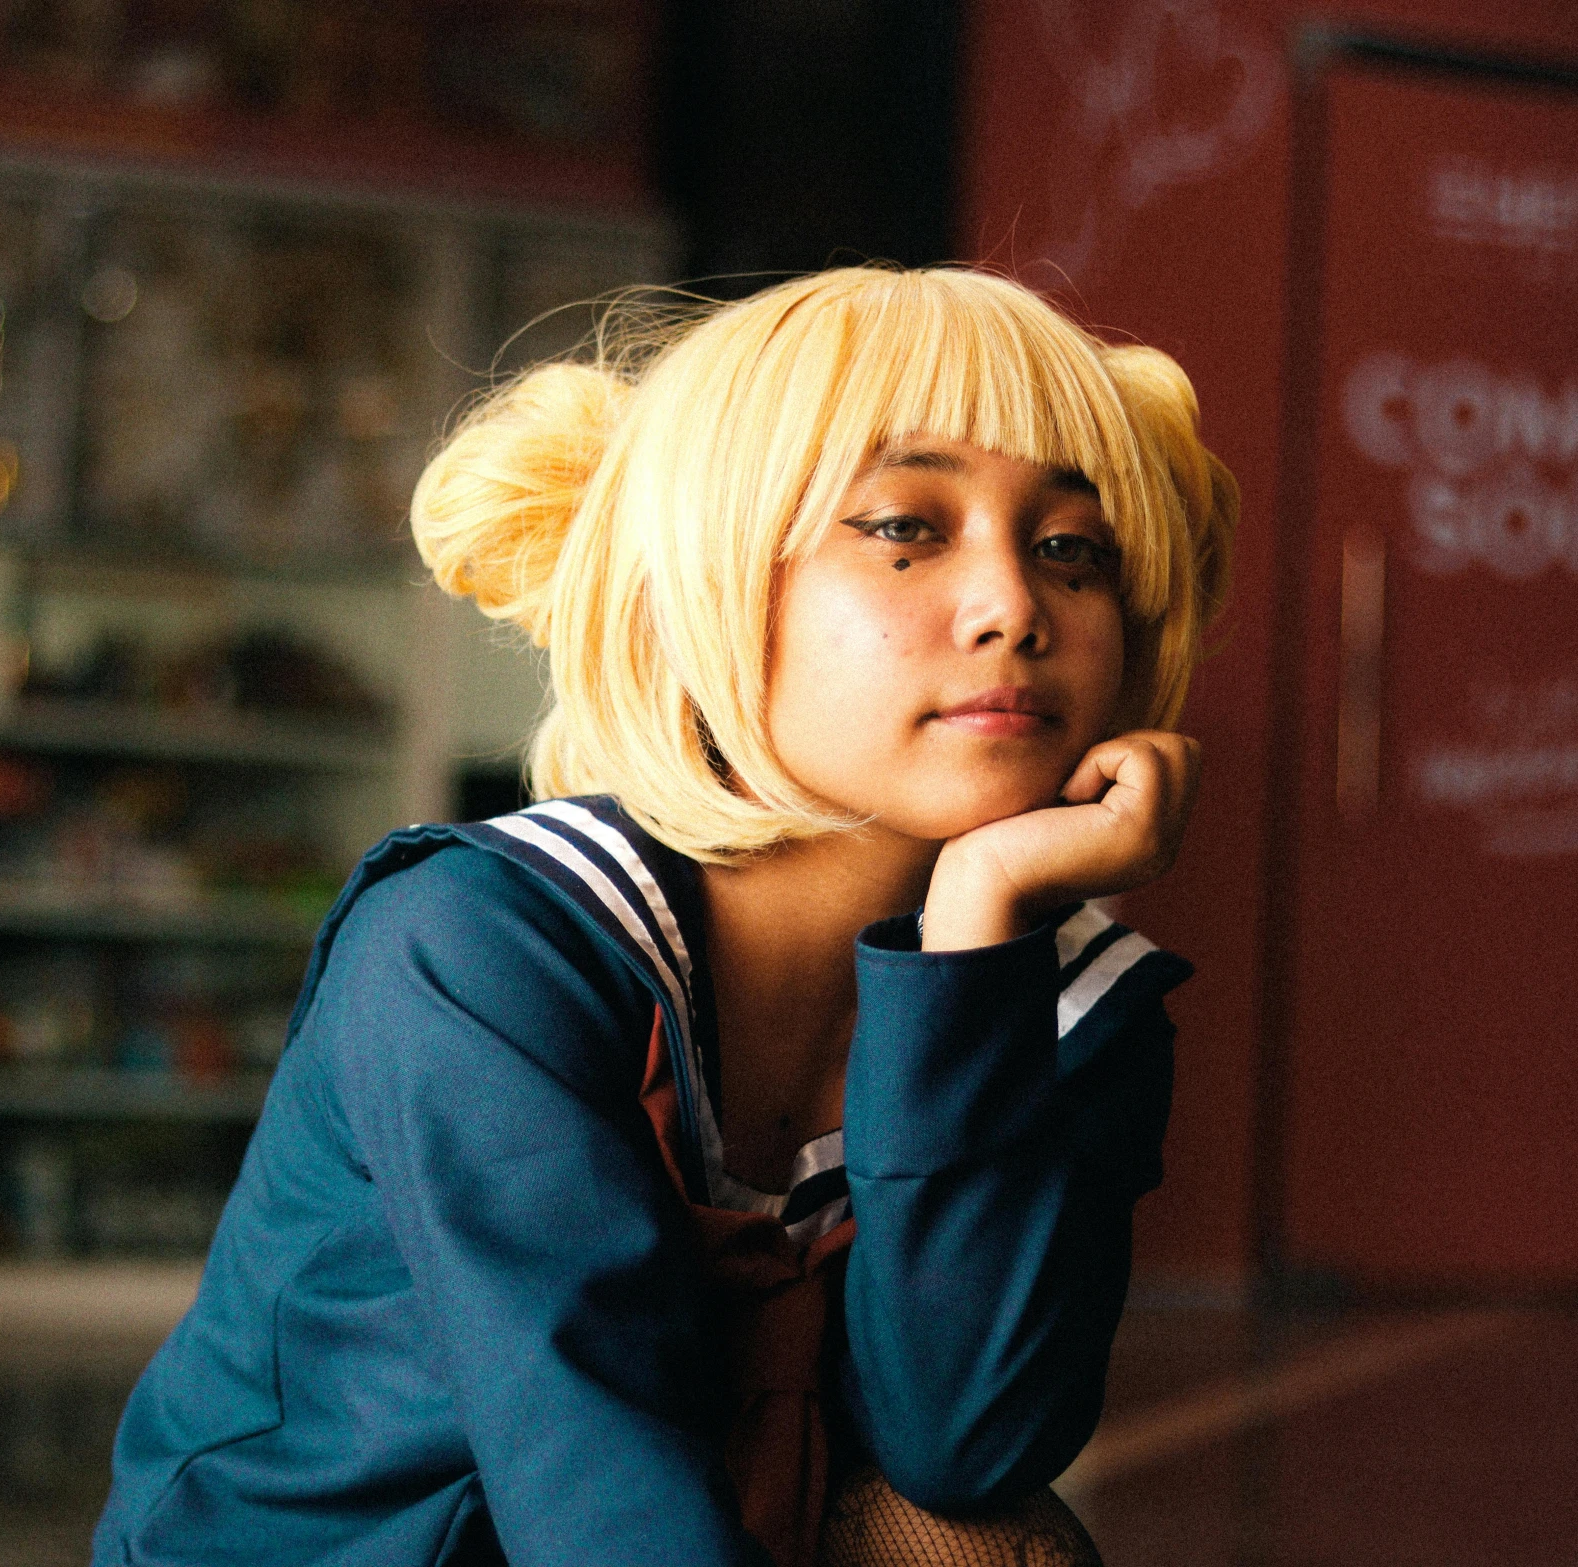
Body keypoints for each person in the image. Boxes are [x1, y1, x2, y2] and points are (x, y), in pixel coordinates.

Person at [91, 266, 1237, 1567]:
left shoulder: (1070, 1001)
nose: (1011, 607)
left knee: (980, 1545)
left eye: (1066, 547)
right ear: (705, 583)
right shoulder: (475, 945)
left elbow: (962, 1441)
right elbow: (595, 1491)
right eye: (904, 528)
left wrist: (974, 929)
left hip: (721, 1516)